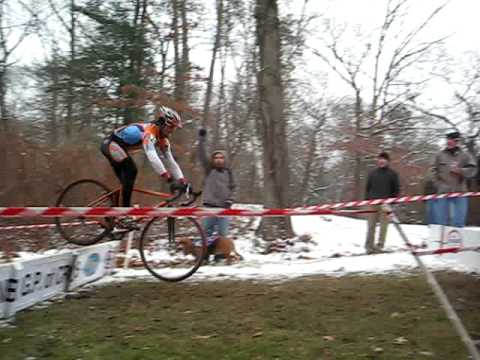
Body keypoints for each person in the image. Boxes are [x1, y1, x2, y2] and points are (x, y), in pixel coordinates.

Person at [101, 106, 189, 215]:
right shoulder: (150, 132)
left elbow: (171, 161)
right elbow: (152, 157)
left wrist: (182, 180)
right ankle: (125, 213)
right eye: (171, 127)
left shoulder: (163, 139)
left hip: (120, 147)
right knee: (131, 170)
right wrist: (167, 177)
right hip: (110, 144)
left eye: (174, 129)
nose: (172, 131)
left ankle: (115, 215)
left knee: (126, 181)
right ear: (163, 123)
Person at [197, 128, 236, 260]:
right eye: (216, 158)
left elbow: (234, 188)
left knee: (222, 234)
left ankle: (219, 257)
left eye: (221, 158)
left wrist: (230, 200)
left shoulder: (229, 172)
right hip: (209, 206)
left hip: (224, 208)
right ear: (213, 160)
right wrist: (201, 140)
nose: (218, 160)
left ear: (224, 160)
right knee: (206, 233)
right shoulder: (209, 170)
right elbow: (202, 155)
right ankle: (204, 256)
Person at [430, 131, 477, 227]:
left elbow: (474, 169)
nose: (449, 142)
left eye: (452, 141)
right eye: (448, 140)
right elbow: (432, 171)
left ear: (457, 142)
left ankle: (457, 241)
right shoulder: (439, 155)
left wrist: (461, 171)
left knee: (459, 221)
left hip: (460, 191)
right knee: (441, 222)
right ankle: (441, 241)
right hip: (443, 192)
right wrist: (438, 184)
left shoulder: (465, 155)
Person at [364, 151, 400, 254]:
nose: (381, 161)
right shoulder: (372, 173)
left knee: (384, 226)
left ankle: (380, 246)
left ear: (388, 161)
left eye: (383, 159)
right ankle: (369, 247)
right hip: (372, 203)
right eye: (379, 159)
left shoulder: (393, 174)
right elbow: (367, 187)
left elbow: (396, 190)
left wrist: (392, 203)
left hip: (386, 204)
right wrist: (367, 200)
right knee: (371, 226)